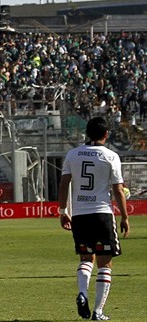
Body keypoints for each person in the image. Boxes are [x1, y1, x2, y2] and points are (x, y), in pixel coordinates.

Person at [58, 116, 129, 321]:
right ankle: (98, 311)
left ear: (87, 133)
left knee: (86, 258)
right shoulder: (111, 156)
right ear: (106, 135)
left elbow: (64, 184)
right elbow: (118, 189)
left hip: (80, 215)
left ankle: (82, 292)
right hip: (102, 214)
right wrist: (124, 216)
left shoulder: (73, 154)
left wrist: (63, 211)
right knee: (105, 264)